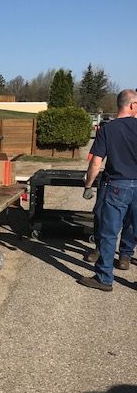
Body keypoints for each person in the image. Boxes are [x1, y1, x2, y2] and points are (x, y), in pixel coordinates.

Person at [79, 89, 137, 291]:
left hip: (117, 186)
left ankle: (104, 278)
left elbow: (96, 162)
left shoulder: (108, 130)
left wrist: (88, 185)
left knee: (109, 232)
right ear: (131, 105)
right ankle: (125, 257)